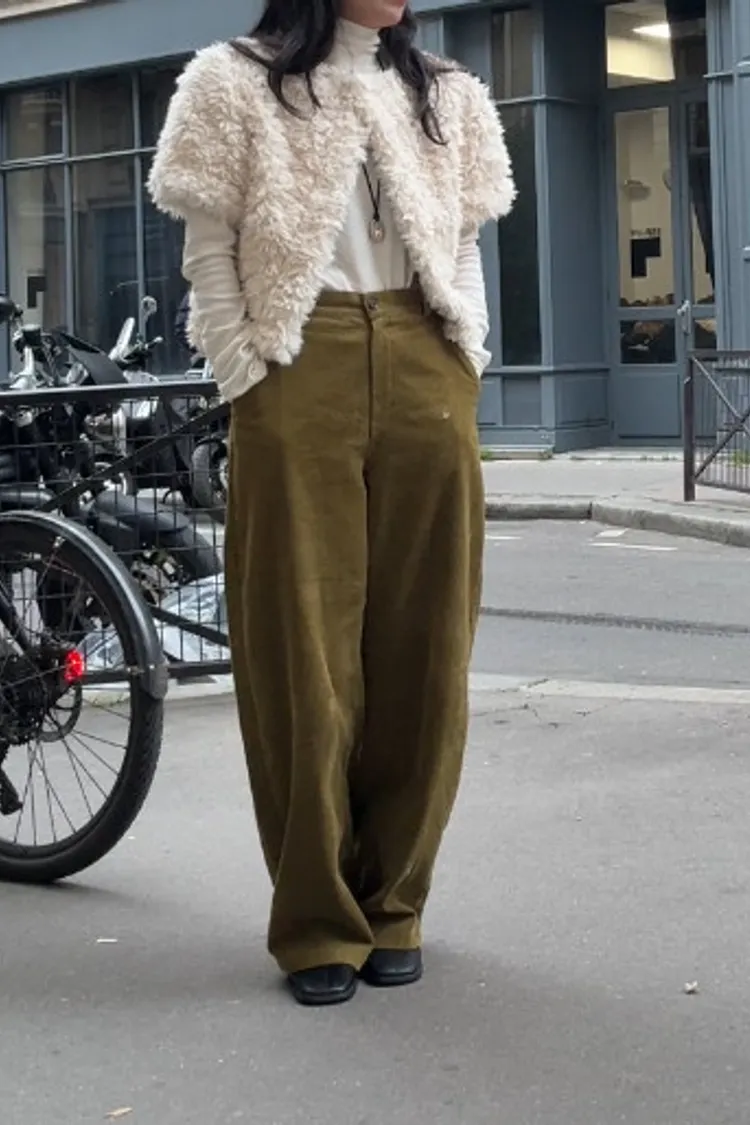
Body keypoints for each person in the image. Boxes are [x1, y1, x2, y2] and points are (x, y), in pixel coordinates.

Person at [149, 0, 515, 1007]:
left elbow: (465, 240)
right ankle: (316, 917)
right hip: (294, 361)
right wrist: (247, 372)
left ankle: (395, 903)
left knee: (426, 646)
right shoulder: (231, 82)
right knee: (300, 647)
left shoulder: (445, 93)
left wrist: (466, 355)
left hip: (426, 359)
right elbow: (210, 248)